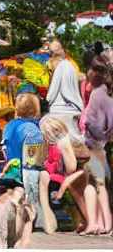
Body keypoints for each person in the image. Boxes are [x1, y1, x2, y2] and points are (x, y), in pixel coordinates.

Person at [38, 115, 89, 234]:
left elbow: (72, 168)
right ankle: (82, 221)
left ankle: (88, 221)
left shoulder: (63, 144)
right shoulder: (63, 142)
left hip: (81, 173)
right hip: (78, 172)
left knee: (72, 188)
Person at [82, 59, 113, 234]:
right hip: (103, 142)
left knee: (95, 182)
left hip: (94, 142)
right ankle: (101, 222)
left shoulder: (97, 93)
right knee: (98, 182)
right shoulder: (107, 92)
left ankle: (100, 223)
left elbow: (91, 122)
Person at [47, 39, 85, 138]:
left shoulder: (60, 66)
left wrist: (47, 102)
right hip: (75, 107)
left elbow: (53, 91)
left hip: (59, 110)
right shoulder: (71, 65)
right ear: (62, 50)